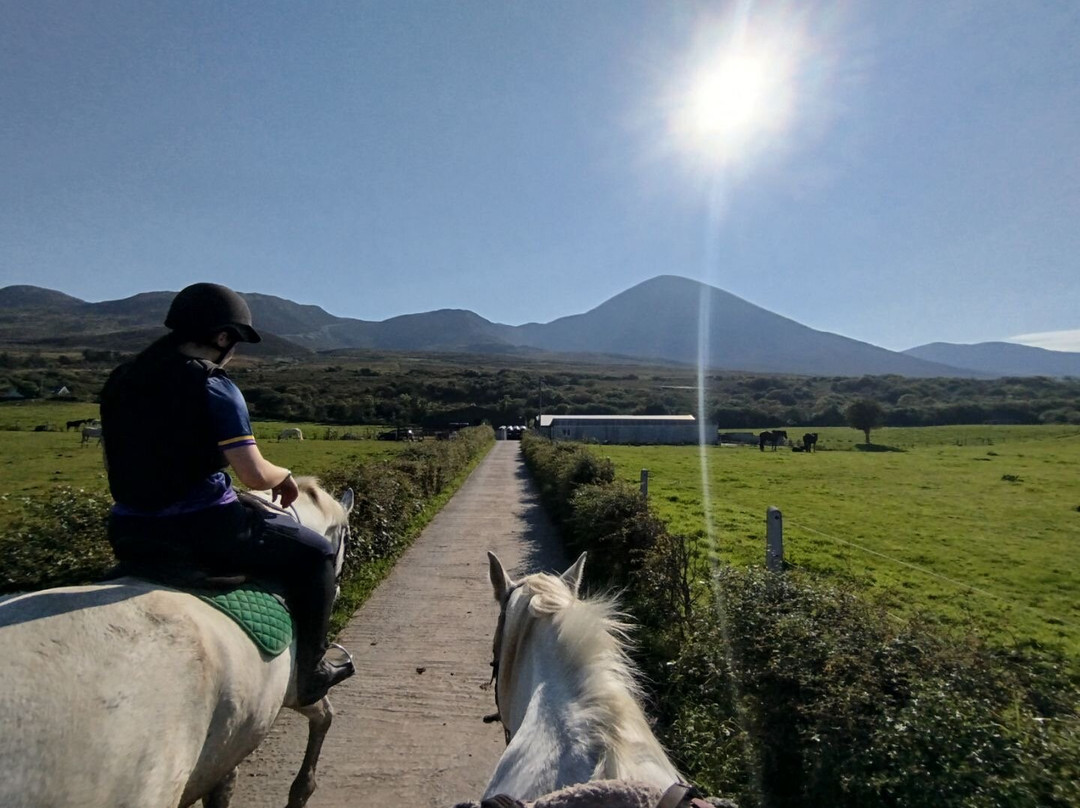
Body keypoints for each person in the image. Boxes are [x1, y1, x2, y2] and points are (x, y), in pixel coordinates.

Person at [99, 282, 354, 706]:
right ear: (221, 337)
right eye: (233, 342)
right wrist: (285, 473)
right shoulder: (213, 384)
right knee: (315, 554)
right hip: (203, 528)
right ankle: (310, 673)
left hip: (128, 526)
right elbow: (254, 475)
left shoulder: (122, 379)